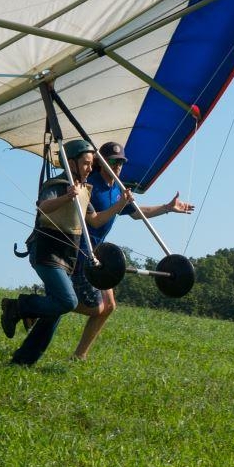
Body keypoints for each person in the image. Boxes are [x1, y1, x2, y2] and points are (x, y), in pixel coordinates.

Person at [68, 140, 195, 360]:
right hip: (81, 250)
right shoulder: (91, 184)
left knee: (109, 306)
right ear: (101, 163)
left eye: (121, 162)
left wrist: (167, 208)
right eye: (113, 161)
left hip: (99, 251)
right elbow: (95, 221)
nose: (118, 165)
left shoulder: (117, 187)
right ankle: (52, 304)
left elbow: (137, 213)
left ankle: (79, 355)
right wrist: (118, 205)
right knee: (93, 307)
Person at [0, 139, 97, 366]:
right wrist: (66, 196)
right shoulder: (58, 183)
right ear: (71, 164)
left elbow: (95, 219)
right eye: (86, 163)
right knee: (68, 301)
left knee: (55, 310)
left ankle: (24, 360)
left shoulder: (83, 190)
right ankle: (19, 307)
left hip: (66, 258)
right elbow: (43, 207)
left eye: (91, 164)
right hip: (46, 253)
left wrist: (122, 203)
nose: (90, 168)